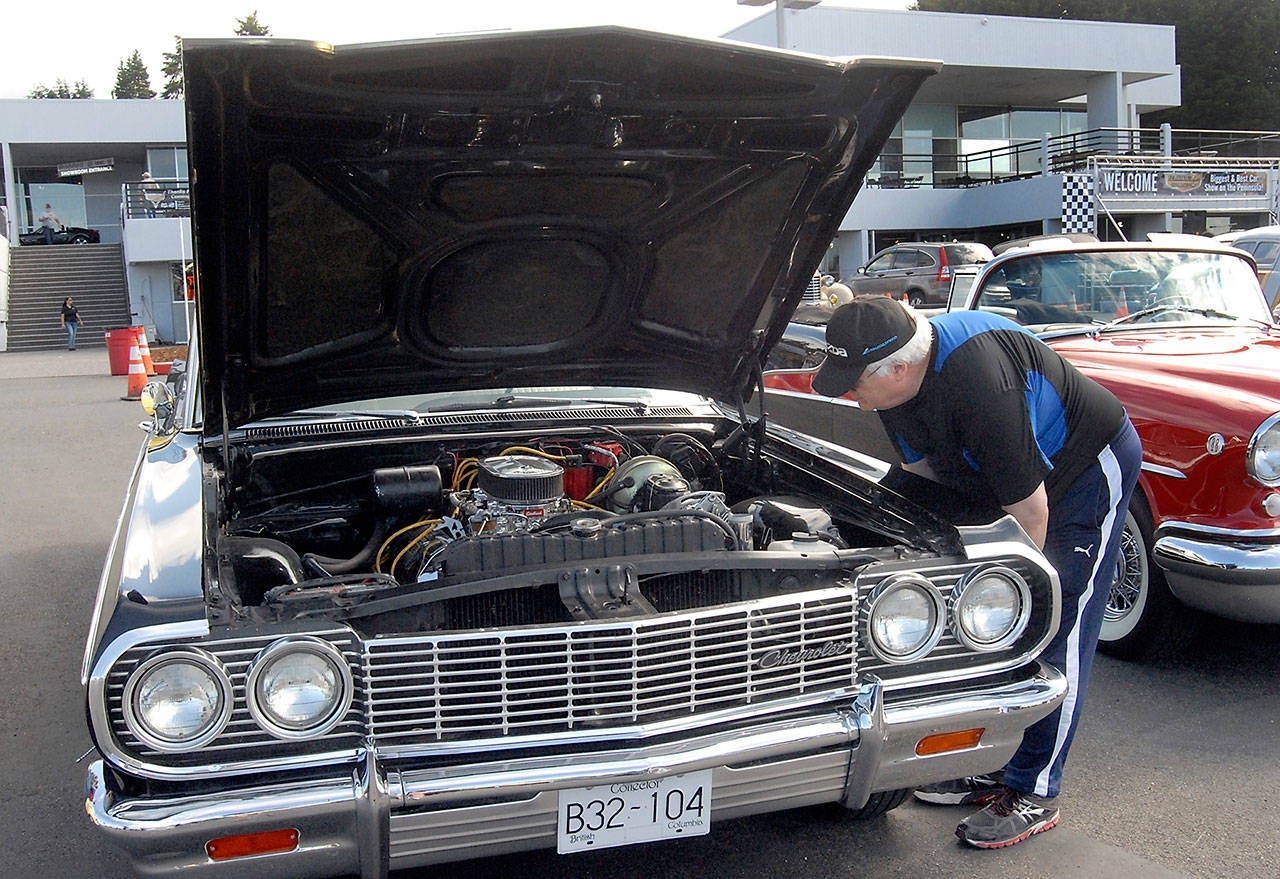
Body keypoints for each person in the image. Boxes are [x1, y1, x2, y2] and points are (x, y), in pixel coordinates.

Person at [812, 297, 1140, 849]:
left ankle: (1033, 789)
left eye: (853, 382)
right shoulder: (896, 388)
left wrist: (1010, 609)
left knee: (1057, 622)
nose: (851, 396)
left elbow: (1031, 516)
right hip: (1001, 474)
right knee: (974, 621)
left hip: (1081, 469)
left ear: (897, 368)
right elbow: (923, 482)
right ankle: (988, 761)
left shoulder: (981, 387)